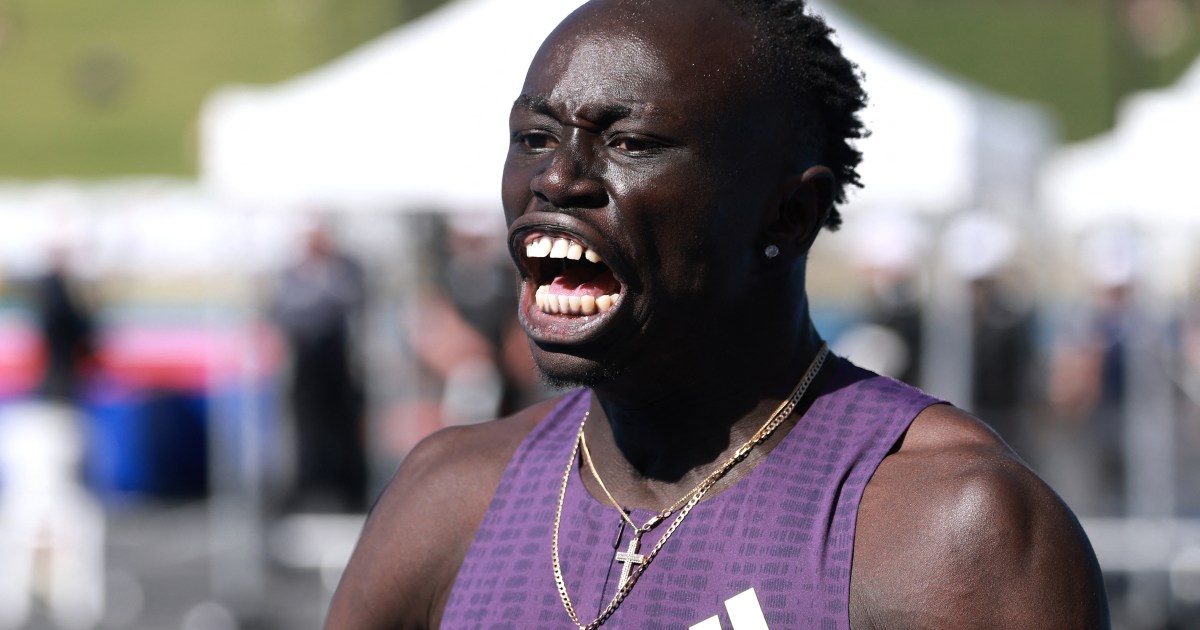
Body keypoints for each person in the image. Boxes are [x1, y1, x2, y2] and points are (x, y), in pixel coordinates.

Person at [327, 0, 1109, 627]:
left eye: (631, 143)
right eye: (534, 137)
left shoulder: (947, 529)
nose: (558, 178)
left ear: (789, 217)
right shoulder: (449, 500)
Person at [272, 220, 369, 513]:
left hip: (341, 366)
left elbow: (351, 300)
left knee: (344, 430)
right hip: (306, 367)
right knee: (307, 431)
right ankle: (309, 489)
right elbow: (287, 310)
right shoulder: (292, 273)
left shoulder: (345, 269)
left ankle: (348, 490)